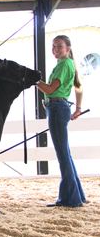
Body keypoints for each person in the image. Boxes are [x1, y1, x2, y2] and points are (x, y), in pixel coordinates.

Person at [36, 35, 86, 207]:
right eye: (54, 47)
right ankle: (76, 195)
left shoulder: (64, 64)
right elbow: (79, 87)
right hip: (61, 108)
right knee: (66, 154)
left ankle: (71, 199)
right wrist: (78, 108)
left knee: (63, 155)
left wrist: (34, 80)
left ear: (68, 48)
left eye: (59, 47)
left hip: (56, 108)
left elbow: (50, 89)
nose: (55, 50)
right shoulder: (69, 64)